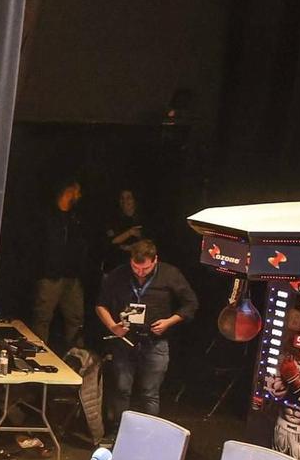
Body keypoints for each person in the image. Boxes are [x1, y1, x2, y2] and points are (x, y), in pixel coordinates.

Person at [95, 239, 197, 427]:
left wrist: (169, 322)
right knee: (121, 389)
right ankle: (119, 433)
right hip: (125, 340)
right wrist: (113, 327)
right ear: (131, 260)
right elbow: (101, 304)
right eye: (136, 267)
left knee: (150, 392)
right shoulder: (119, 274)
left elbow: (191, 304)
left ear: (155, 260)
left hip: (155, 341)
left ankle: (149, 436)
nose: (140, 273)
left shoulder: (170, 274)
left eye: (146, 269)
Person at [32, 179, 87, 353]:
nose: (79, 196)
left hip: (71, 276)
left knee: (76, 317)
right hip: (50, 275)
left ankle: (75, 356)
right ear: (68, 191)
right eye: (77, 192)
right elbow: (37, 245)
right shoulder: (47, 216)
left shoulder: (76, 217)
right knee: (43, 316)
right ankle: (38, 354)